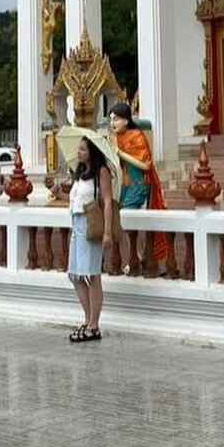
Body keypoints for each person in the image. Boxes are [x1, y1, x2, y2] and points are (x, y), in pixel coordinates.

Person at [108, 102, 167, 276]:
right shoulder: (116, 138)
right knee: (126, 222)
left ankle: (141, 256)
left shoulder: (136, 136)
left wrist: (120, 152)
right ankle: (139, 256)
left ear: (126, 121)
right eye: (111, 119)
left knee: (130, 219)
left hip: (139, 184)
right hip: (126, 184)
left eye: (116, 119)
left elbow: (146, 165)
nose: (113, 123)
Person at [67, 136, 114, 343]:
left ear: (92, 152)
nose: (79, 152)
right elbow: (78, 200)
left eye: (83, 149)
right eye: (79, 149)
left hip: (91, 225)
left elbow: (108, 201)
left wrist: (107, 232)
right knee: (75, 275)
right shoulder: (80, 174)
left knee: (92, 275)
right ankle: (87, 319)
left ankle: (94, 324)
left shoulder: (101, 172)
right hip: (76, 224)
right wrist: (59, 193)